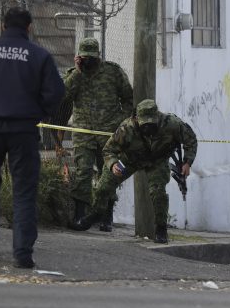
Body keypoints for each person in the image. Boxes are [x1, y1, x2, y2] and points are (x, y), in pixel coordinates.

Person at [0, 6, 65, 268]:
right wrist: (36, 114)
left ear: (2, 26)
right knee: (25, 189)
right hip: (24, 130)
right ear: (29, 28)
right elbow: (55, 94)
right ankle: (22, 253)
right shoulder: (39, 56)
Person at [70, 99, 197, 244]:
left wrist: (187, 162)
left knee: (158, 193)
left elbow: (190, 139)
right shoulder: (126, 128)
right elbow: (108, 150)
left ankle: (161, 229)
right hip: (130, 159)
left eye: (152, 123)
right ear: (136, 118)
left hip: (157, 160)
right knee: (104, 186)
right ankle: (96, 213)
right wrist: (113, 164)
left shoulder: (172, 123)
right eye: (145, 124)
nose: (148, 128)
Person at [63, 37, 133, 232]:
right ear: (78, 57)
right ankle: (79, 216)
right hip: (83, 132)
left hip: (108, 132)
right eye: (85, 58)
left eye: (92, 58)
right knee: (83, 171)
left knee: (107, 174)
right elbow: (62, 96)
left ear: (99, 56)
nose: (89, 62)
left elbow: (128, 97)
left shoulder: (113, 72)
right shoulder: (73, 75)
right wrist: (77, 72)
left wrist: (123, 123)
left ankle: (106, 217)